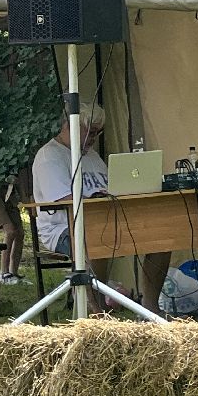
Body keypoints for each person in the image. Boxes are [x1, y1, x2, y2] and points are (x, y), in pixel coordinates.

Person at [31, 103, 169, 311]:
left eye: (98, 132)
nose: (94, 138)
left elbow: (111, 190)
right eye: (90, 131)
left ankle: (150, 308)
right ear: (70, 126)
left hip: (104, 223)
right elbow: (64, 201)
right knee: (95, 238)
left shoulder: (92, 156)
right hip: (62, 230)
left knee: (161, 237)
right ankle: (97, 312)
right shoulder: (49, 156)